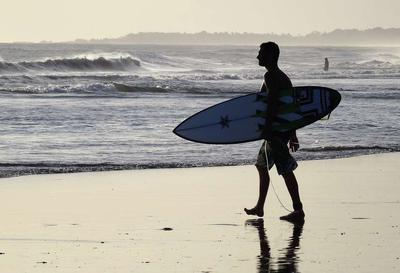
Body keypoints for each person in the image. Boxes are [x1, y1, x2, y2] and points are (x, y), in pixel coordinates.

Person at [244, 42, 305, 222]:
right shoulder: (281, 76)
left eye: (261, 53)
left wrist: (267, 129)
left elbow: (271, 105)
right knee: (262, 165)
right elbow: (290, 106)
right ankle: (260, 207)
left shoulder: (271, 76)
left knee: (285, 170)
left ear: (270, 55)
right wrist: (293, 134)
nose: (258, 56)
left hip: (276, 131)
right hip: (281, 129)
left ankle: (298, 210)